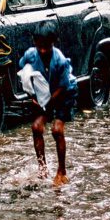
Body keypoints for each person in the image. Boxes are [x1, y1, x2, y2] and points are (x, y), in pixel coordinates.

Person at [18, 22, 78, 186]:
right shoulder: (30, 55)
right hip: (43, 93)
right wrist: (33, 97)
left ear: (54, 42)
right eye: (40, 46)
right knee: (36, 128)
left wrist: (48, 104)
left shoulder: (60, 60)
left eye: (47, 47)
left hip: (63, 93)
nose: (43, 50)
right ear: (35, 42)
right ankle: (42, 167)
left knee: (57, 130)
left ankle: (62, 170)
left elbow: (63, 86)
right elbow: (24, 74)